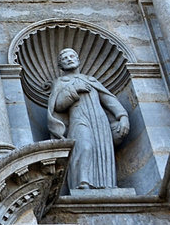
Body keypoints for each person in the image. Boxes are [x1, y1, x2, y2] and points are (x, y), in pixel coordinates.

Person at [46, 48, 130, 190]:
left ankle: (106, 184)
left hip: (99, 120)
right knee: (84, 147)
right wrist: (74, 89)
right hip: (79, 118)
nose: (69, 59)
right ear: (60, 66)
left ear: (78, 60)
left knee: (101, 148)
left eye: (72, 56)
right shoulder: (60, 82)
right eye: (65, 58)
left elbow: (109, 100)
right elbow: (58, 106)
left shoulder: (91, 80)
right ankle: (82, 182)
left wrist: (123, 117)